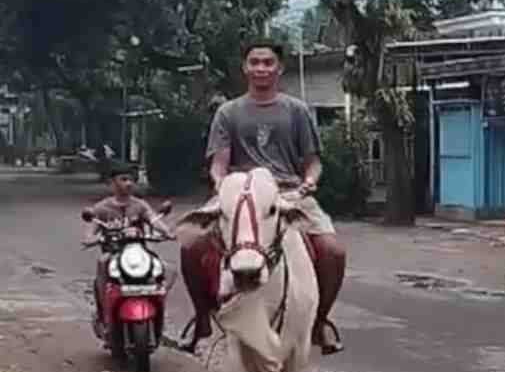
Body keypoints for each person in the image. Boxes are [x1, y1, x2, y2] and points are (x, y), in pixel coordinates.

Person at [179, 39, 346, 355]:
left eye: (268, 62)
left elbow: (312, 161)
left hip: (287, 192)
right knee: (191, 245)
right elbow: (219, 163)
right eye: (254, 62)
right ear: (245, 68)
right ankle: (202, 317)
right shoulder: (228, 112)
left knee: (333, 251)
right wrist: (221, 185)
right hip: (240, 193)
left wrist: (310, 182)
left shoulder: (296, 110)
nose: (261, 68)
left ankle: (319, 321)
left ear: (279, 68)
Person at [84, 162, 176, 334]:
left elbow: (154, 220)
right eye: (123, 179)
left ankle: (159, 307)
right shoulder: (102, 208)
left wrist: (168, 232)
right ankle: (105, 315)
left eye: (131, 180)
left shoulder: (140, 205)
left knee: (168, 269)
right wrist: (92, 239)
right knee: (102, 263)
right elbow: (90, 232)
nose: (128, 183)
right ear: (112, 183)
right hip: (113, 255)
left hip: (139, 254)